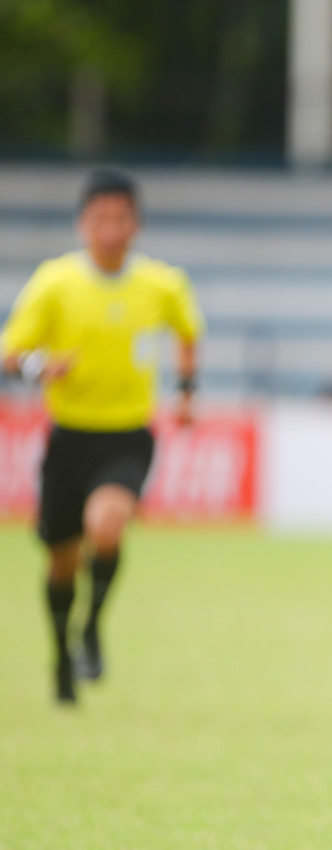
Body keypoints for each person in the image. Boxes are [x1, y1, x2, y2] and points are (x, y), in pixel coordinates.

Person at [0, 169, 203, 704]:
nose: (111, 229)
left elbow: (187, 332)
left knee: (106, 527)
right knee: (62, 559)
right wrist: (41, 365)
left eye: (121, 218)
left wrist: (185, 392)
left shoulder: (162, 284)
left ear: (137, 225)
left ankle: (91, 628)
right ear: (82, 224)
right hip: (69, 437)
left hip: (127, 435)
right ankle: (61, 652)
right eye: (101, 218)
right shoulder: (55, 283)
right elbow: (11, 353)